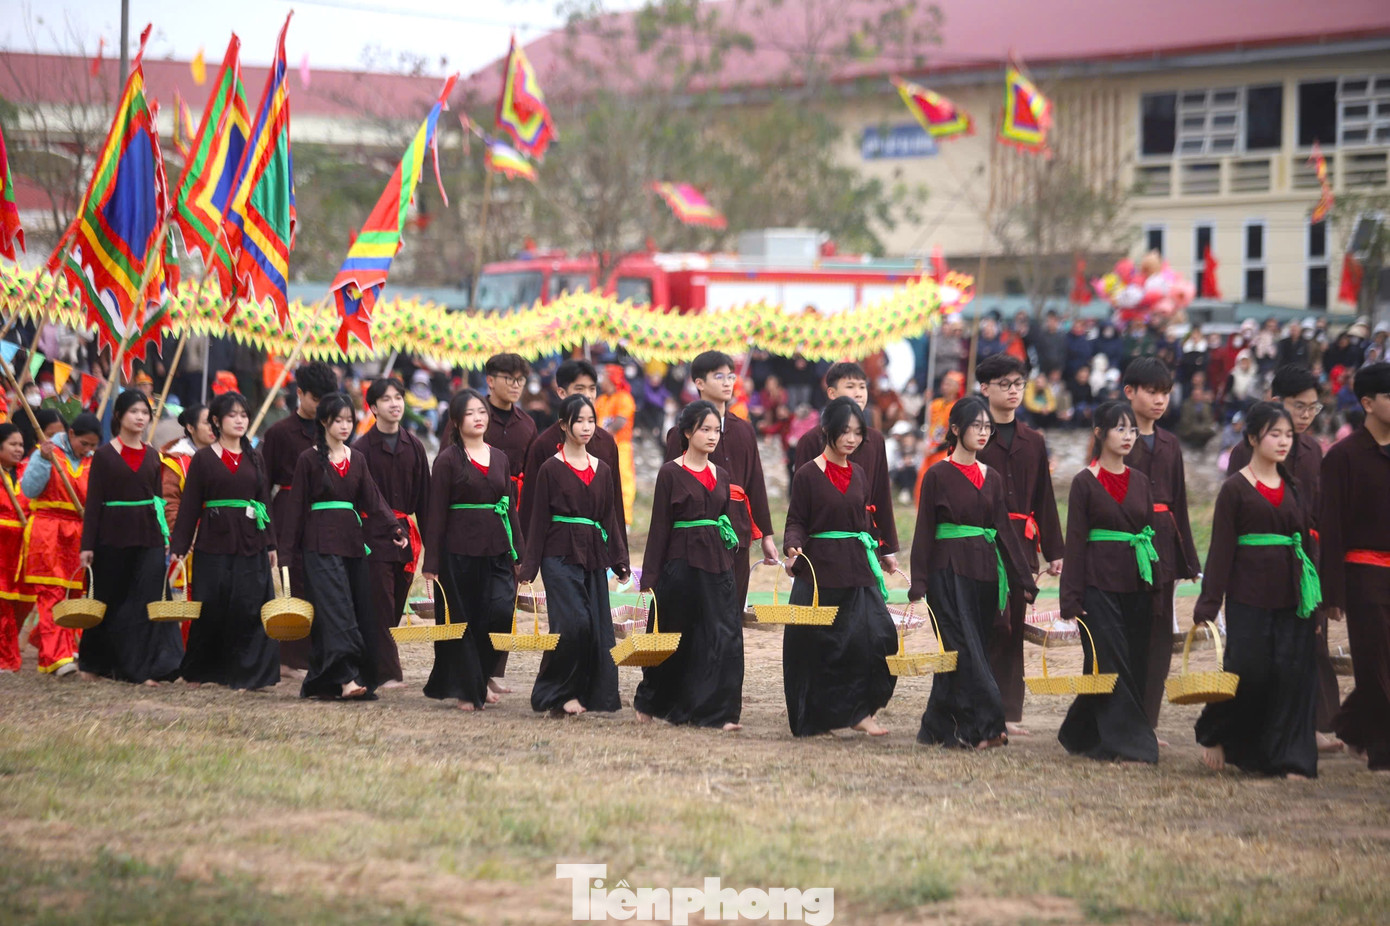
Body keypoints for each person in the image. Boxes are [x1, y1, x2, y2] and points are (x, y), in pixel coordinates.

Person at [1195, 402, 1320, 779]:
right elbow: (1220, 550)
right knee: (1247, 669)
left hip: (1293, 593)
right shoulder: (1234, 489)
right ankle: (1216, 733)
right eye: (1274, 434)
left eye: (1288, 435)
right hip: (1248, 592)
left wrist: (1316, 595)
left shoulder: (1294, 486)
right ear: (1252, 438)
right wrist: (1208, 603)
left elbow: (1307, 542)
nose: (1284, 442)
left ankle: (1289, 757)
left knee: (1292, 672)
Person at [909, 397, 1037, 749]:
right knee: (966, 651)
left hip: (984, 575)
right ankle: (985, 725)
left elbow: (1005, 532)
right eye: (976, 426)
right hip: (947, 574)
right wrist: (919, 581)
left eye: (987, 427)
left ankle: (936, 725)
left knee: (967, 649)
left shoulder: (992, 478)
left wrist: (1023, 579)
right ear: (955, 430)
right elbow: (924, 530)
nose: (983, 433)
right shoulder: (936, 474)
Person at [1226, 364, 1341, 751]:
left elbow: (1322, 511)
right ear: (1276, 401)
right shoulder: (1246, 450)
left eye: (1313, 408)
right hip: (1259, 563)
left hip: (1306, 558)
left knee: (1313, 642)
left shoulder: (1313, 451)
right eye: (1299, 406)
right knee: (1261, 647)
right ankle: (1255, 725)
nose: (1306, 416)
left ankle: (1315, 724)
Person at [783, 397, 899, 737]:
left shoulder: (860, 474)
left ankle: (862, 710)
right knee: (819, 646)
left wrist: (882, 551)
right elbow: (797, 520)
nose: (851, 439)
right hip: (819, 571)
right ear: (826, 431)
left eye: (858, 432)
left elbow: (865, 520)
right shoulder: (807, 474)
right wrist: (793, 545)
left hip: (857, 566)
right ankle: (824, 717)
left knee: (875, 637)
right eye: (844, 431)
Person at [282, 393, 407, 701]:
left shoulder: (357, 459)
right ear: (324, 421)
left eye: (349, 420)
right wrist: (285, 553)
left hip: (352, 543)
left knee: (355, 607)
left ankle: (327, 680)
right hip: (319, 543)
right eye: (338, 420)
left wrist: (394, 527)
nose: (345, 426)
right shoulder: (308, 459)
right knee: (335, 609)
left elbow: (373, 500)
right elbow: (295, 507)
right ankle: (347, 679)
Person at [1057, 401, 1160, 764]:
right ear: (1100, 433)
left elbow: (1150, 536)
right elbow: (1076, 540)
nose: (1128, 435)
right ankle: (1130, 744)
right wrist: (1069, 597)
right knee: (1109, 660)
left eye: (1132, 429)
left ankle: (1081, 731)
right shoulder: (1084, 482)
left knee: (1126, 661)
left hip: (1136, 584)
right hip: (1097, 585)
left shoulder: (1142, 482)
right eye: (1120, 428)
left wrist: (1156, 586)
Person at [635, 400, 743, 730]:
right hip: (679, 566)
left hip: (717, 563)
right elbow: (659, 526)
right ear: (687, 432)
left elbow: (727, 520)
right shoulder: (670, 472)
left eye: (716, 430)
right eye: (705, 429)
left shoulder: (722, 475)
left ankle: (719, 713)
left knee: (723, 636)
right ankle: (653, 702)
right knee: (674, 636)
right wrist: (650, 577)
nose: (712, 436)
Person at [521, 394, 629, 715]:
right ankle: (557, 693)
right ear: (563, 425)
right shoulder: (549, 469)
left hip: (593, 554)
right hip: (558, 554)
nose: (586, 427)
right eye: (579, 421)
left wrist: (619, 559)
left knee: (596, 626)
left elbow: (610, 517)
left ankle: (585, 694)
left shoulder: (604, 470)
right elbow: (539, 520)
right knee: (572, 624)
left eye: (591, 420)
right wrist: (528, 566)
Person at [974, 354, 1064, 737]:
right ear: (985, 388)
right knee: (983, 624)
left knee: (1012, 625)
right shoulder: (974, 436)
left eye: (1019, 385)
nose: (1013, 392)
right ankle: (979, 705)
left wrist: (1055, 550)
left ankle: (1008, 713)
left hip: (1022, 547)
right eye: (1005, 384)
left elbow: (1044, 497)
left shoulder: (1034, 442)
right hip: (982, 545)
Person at [167, 391, 280, 691]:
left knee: (249, 606)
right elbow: (190, 505)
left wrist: (271, 544)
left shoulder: (255, 456)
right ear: (217, 421)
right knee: (211, 606)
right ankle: (203, 672)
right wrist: (179, 548)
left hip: (250, 540)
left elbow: (263, 501)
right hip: (213, 541)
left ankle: (249, 675)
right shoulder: (203, 459)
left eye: (244, 415)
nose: (240, 420)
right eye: (233, 415)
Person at [421, 389, 522, 711]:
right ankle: (469, 687)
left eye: (482, 411)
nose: (479, 418)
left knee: (499, 612)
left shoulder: (501, 458)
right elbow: (434, 513)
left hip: (496, 548)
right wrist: (431, 561)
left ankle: (479, 678)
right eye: (470, 413)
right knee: (463, 620)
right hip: (458, 551)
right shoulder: (448, 459)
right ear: (456, 421)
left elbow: (510, 508)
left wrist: (519, 555)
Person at [77, 390, 183, 685]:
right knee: (105, 599)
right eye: (134, 411)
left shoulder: (153, 455)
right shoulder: (104, 455)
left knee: (146, 599)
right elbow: (94, 503)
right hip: (111, 534)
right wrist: (87, 545)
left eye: (145, 413)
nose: (140, 417)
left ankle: (143, 669)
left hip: (148, 535)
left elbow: (158, 500)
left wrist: (165, 535)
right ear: (120, 415)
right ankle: (93, 663)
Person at [663, 351, 779, 613]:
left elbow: (755, 484)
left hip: (738, 529)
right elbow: (669, 489)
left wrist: (767, 536)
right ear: (699, 383)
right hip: (695, 533)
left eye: (731, 376)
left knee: (732, 607)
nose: (728, 382)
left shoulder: (745, 430)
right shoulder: (681, 432)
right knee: (698, 609)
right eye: (719, 376)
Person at [1123, 357, 1200, 735]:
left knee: (1159, 634)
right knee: (1126, 629)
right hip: (1123, 548)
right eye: (1151, 392)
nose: (1159, 400)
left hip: (1165, 547)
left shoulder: (1171, 444)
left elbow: (1181, 504)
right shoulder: (1114, 437)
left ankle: (1147, 722)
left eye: (1165, 393)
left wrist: (1189, 559)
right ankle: (1122, 716)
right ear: (1130, 393)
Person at [1319, 361, 1390, 772]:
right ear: (1366, 402)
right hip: (1364, 577)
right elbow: (1331, 527)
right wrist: (1333, 593)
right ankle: (1383, 750)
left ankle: (1349, 726)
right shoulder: (1342, 458)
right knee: (1374, 664)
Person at [260, 361, 337, 676]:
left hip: (326, 513)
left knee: (327, 582)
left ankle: (322, 651)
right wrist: (267, 531)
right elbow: (263, 484)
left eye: (325, 400)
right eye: (315, 399)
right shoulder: (278, 432)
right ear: (301, 394)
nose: (320, 406)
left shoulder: (333, 429)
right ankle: (292, 658)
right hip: (289, 510)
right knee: (295, 582)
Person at [353, 377, 431, 690]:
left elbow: (425, 500)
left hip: (406, 536)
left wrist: (433, 549)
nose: (395, 403)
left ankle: (368, 666)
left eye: (398, 397)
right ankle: (387, 673)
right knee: (379, 601)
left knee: (397, 601)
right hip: (372, 536)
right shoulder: (360, 449)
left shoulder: (415, 446)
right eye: (386, 399)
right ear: (373, 407)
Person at [793, 362, 900, 574]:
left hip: (865, 538)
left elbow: (881, 496)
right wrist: (798, 544)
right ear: (831, 393)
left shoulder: (876, 439)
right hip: (822, 540)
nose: (858, 393)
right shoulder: (811, 440)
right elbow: (800, 502)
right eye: (850, 386)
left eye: (862, 386)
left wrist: (887, 548)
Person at [19, 412, 99, 676]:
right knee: (51, 594)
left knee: (73, 596)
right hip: (48, 531)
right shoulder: (47, 453)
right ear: (71, 434)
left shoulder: (92, 462)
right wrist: (42, 460)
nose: (87, 450)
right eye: (84, 444)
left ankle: (50, 640)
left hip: (77, 533)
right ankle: (56, 657)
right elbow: (29, 490)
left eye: (93, 446)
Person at [483, 352, 539, 690]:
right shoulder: (471, 415)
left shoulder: (527, 424)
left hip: (513, 518)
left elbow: (532, 478)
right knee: (477, 596)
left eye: (520, 380)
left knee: (506, 598)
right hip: (475, 514)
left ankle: (493, 670)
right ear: (491, 381)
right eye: (509, 379)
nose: (516, 385)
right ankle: (472, 667)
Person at [0, 423, 34, 672]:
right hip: (2, 547)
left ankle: (10, 654)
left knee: (23, 604)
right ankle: (6, 658)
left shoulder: (27, 473)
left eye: (21, 445)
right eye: (13, 444)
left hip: (23, 549)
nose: (18, 449)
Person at [595, 364, 636, 528]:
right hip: (601, 446)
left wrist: (602, 437)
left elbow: (619, 422)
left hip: (621, 446)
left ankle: (625, 520)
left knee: (623, 480)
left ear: (612, 379)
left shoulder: (624, 398)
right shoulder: (601, 400)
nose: (601, 381)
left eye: (604, 377)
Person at [914, 370, 963, 505]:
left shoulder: (958, 407)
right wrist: (925, 402)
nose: (945, 386)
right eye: (944, 382)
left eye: (950, 383)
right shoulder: (934, 404)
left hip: (946, 451)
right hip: (930, 448)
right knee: (923, 481)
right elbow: (920, 419)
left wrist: (937, 449)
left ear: (958, 387)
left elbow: (955, 435)